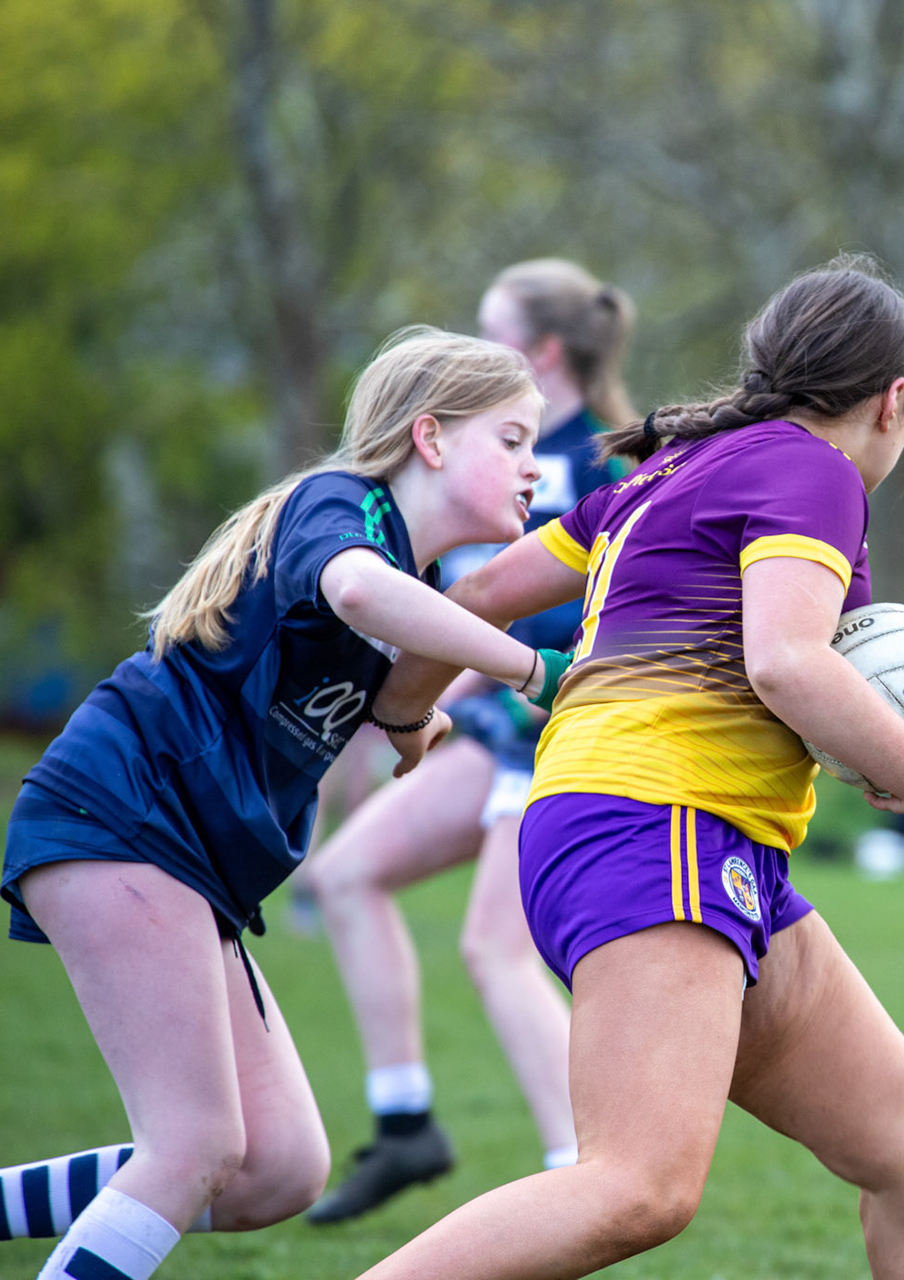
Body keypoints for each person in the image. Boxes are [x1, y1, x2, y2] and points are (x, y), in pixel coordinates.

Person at [351, 256, 904, 1278]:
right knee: (638, 1186)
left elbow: (475, 596)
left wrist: (402, 709)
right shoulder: (814, 469)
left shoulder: (665, 474)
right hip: (657, 828)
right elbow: (786, 662)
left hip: (676, 836)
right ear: (894, 401)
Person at [0, 327, 576, 1280]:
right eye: (512, 440)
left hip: (187, 857)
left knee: (277, 1167)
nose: (533, 468)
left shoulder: (419, 578)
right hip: (124, 815)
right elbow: (356, 593)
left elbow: (393, 682)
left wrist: (411, 723)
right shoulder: (341, 505)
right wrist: (532, 669)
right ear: (429, 438)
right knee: (193, 1146)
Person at [301, 260, 636, 1223]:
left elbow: (556, 627)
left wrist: (436, 689)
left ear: (544, 351)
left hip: (557, 733)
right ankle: (405, 1122)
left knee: (496, 950)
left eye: (493, 332)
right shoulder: (482, 455)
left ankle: (584, 1175)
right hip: (495, 732)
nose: (476, 350)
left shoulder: (596, 467)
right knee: (346, 875)